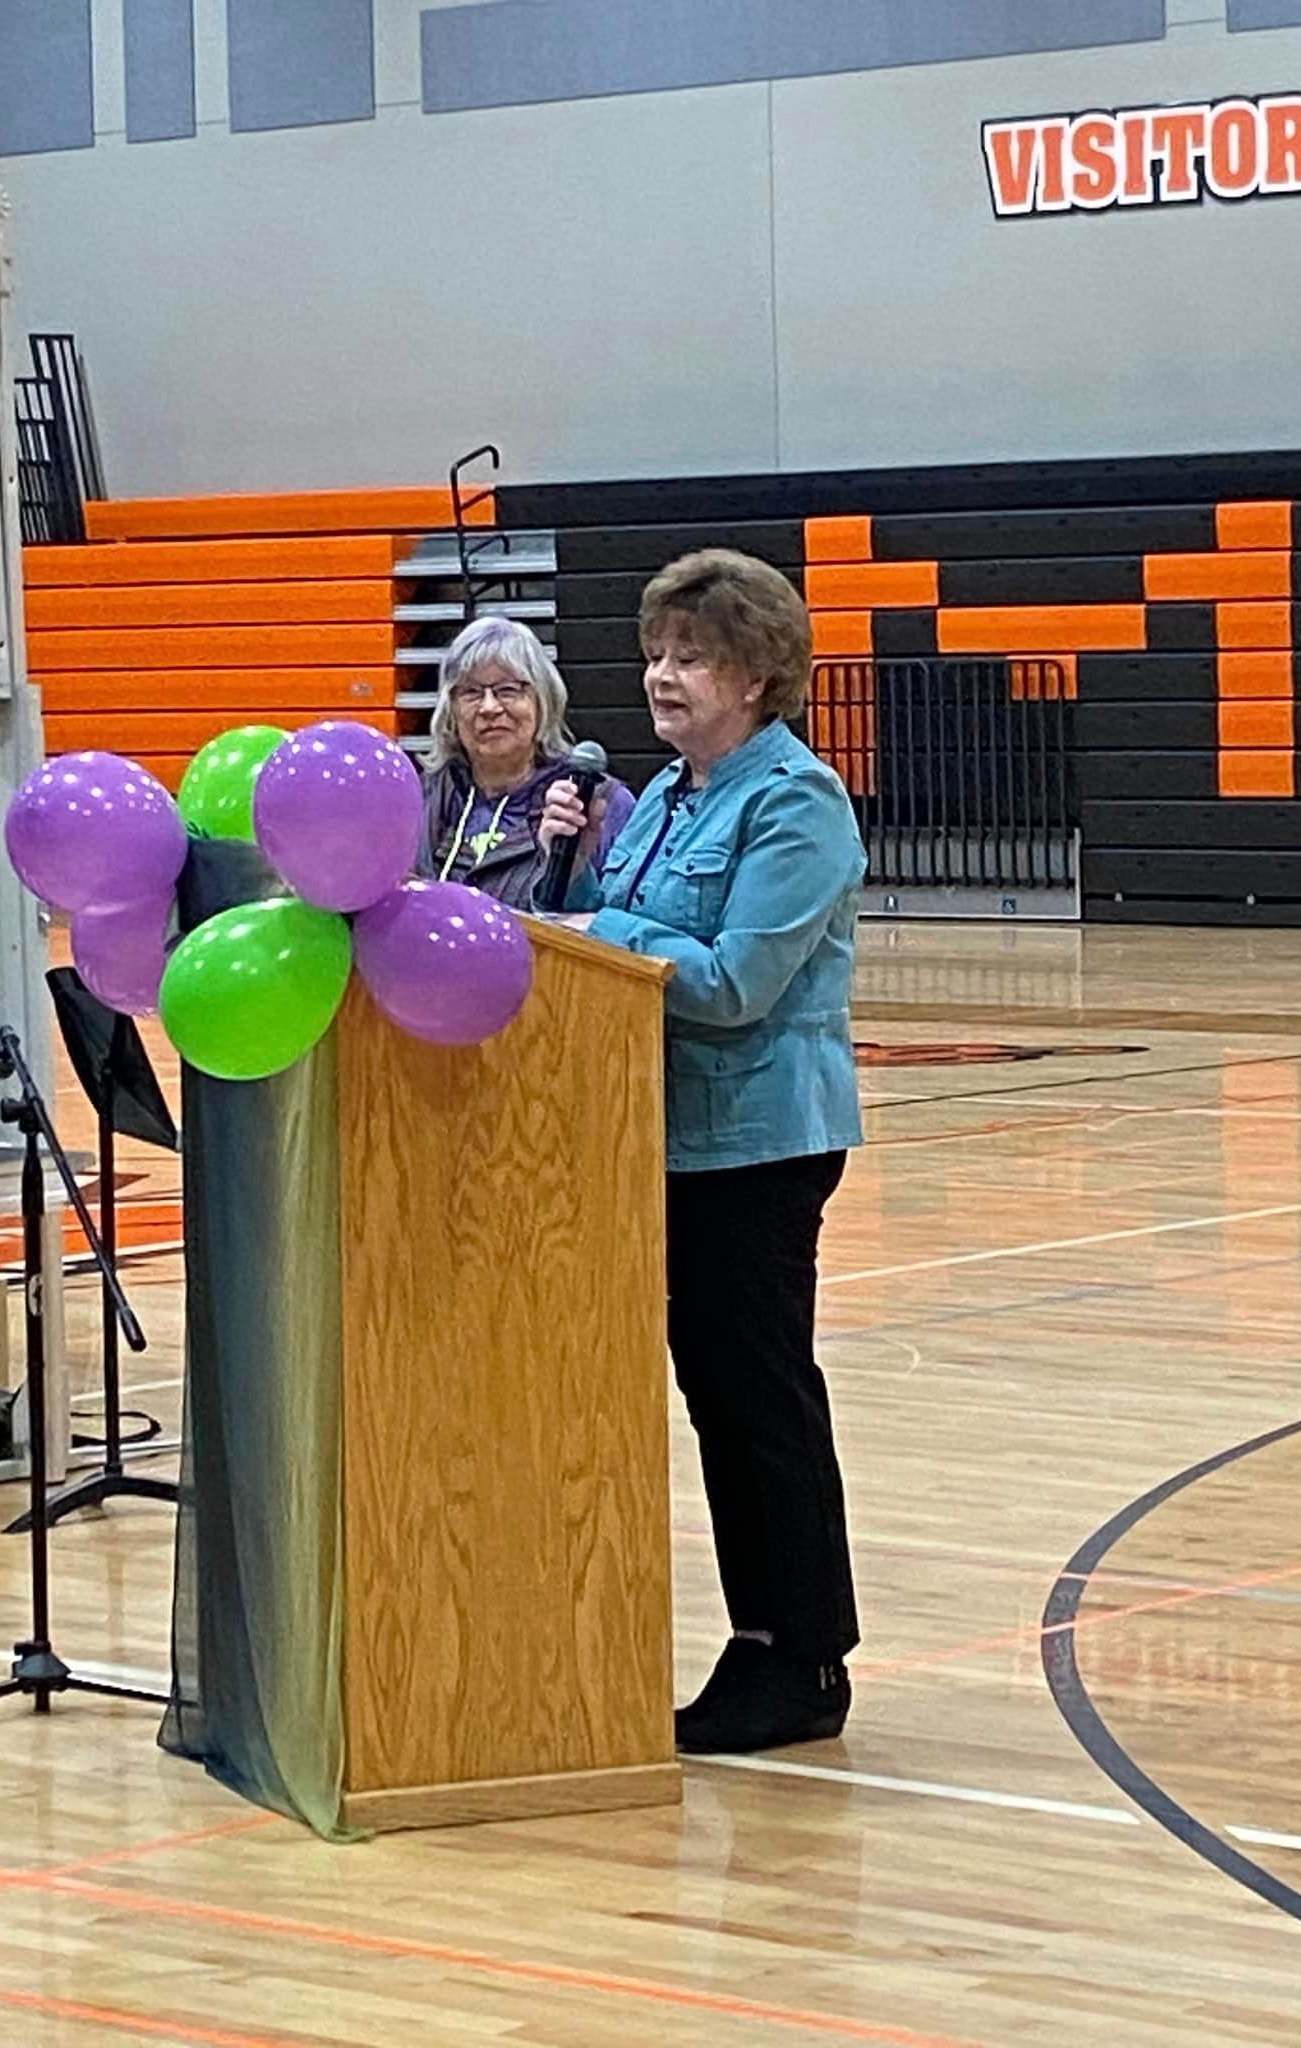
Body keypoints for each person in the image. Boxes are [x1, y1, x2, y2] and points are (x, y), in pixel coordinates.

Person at [540, 549, 866, 1756]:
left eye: (692, 658)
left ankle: (802, 1653)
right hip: (662, 1136)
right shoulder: (670, 793)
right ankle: (762, 1636)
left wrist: (592, 926)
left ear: (760, 674)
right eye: (658, 653)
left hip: (759, 1143)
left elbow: (732, 982)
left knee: (761, 1393)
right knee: (716, 1394)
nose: (661, 676)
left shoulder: (795, 801)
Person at [416, 616, 634, 910]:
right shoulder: (422, 796)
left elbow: (617, 926)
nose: (489, 707)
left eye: (508, 690)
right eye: (471, 692)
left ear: (542, 699)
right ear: (450, 709)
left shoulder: (597, 801)